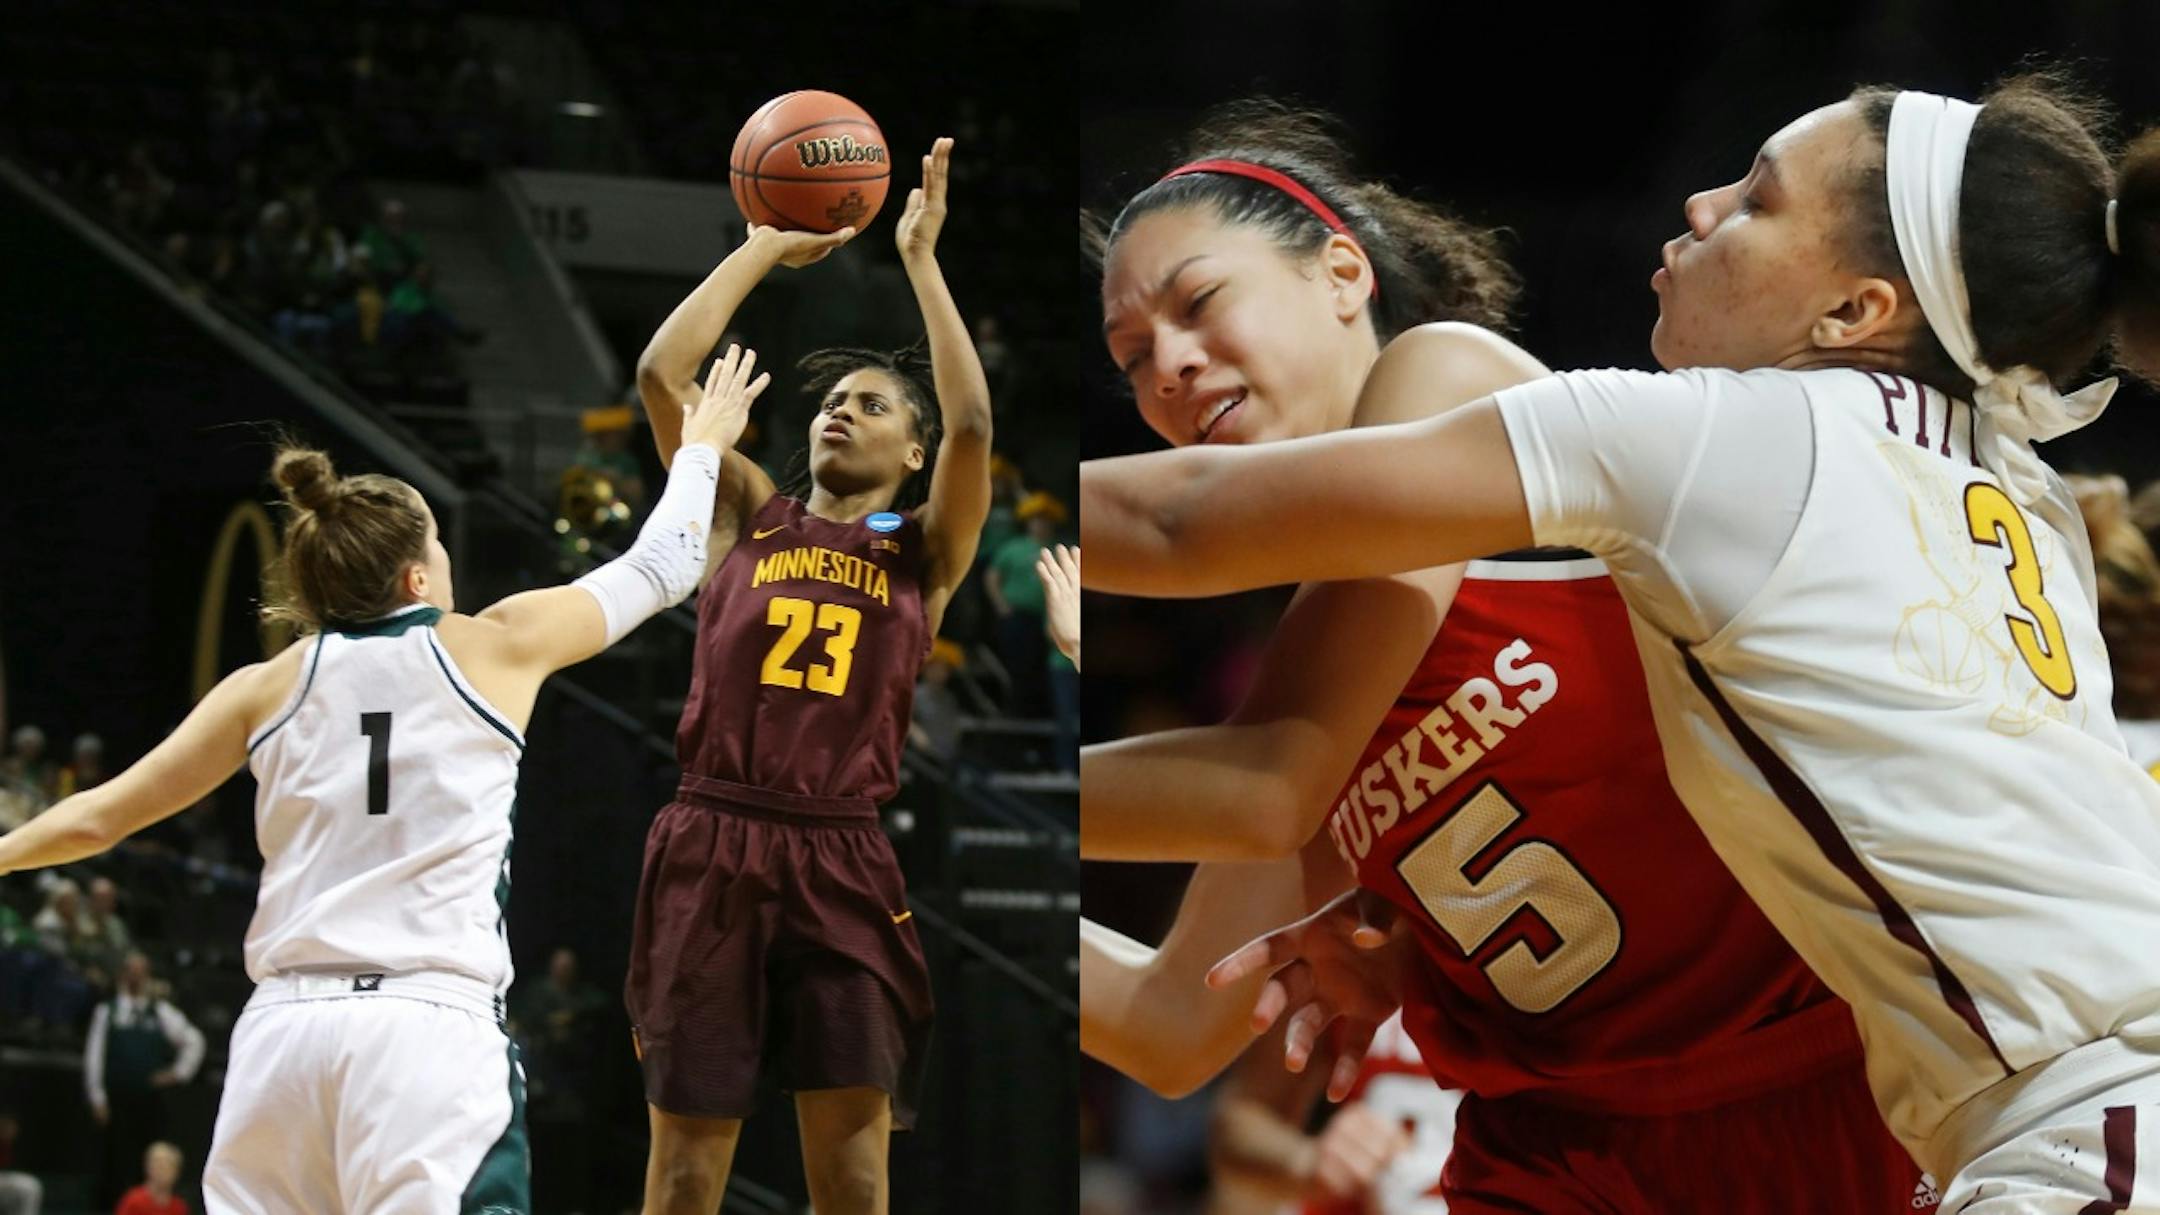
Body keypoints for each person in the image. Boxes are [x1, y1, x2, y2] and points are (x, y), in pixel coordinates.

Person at [1086, 76, 2160, 1210]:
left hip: (1858, 1089)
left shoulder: (1681, 433)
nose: (1166, 363)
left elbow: (1199, 577)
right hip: (1566, 1133)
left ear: (1343, 273)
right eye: (1124, 356)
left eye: (1755, 198)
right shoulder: (1989, 469)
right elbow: (1179, 1019)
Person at [0, 344, 765, 1211]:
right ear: (414, 574)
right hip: (424, 1033)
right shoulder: (486, 643)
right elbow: (661, 565)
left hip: (281, 1041)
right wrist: (703, 441)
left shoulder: (263, 687)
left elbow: (98, 819)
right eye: (439, 547)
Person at [628, 136, 992, 1215]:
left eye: (876, 406)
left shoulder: (921, 548)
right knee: (688, 1173)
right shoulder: (742, 510)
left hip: (840, 856)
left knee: (853, 1179)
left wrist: (923, 262)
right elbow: (660, 377)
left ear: (914, 456)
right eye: (837, 402)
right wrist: (762, 247)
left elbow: (974, 421)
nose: (844, 411)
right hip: (711, 838)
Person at [85, 952, 203, 1209]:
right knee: (113, 1165)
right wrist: (97, 1096)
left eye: (142, 972)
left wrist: (178, 1073)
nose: (136, 977)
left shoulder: (160, 1011)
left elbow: (194, 1040)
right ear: (123, 975)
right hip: (115, 1100)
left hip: (148, 1101)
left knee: (147, 1162)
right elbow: (94, 1057)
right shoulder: (108, 1011)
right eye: (132, 971)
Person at [114, 1141, 186, 1215]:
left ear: (177, 1172)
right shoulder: (133, 1201)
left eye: (168, 1166)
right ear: (148, 1168)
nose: (162, 1172)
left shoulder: (179, 1207)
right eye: (159, 1166)